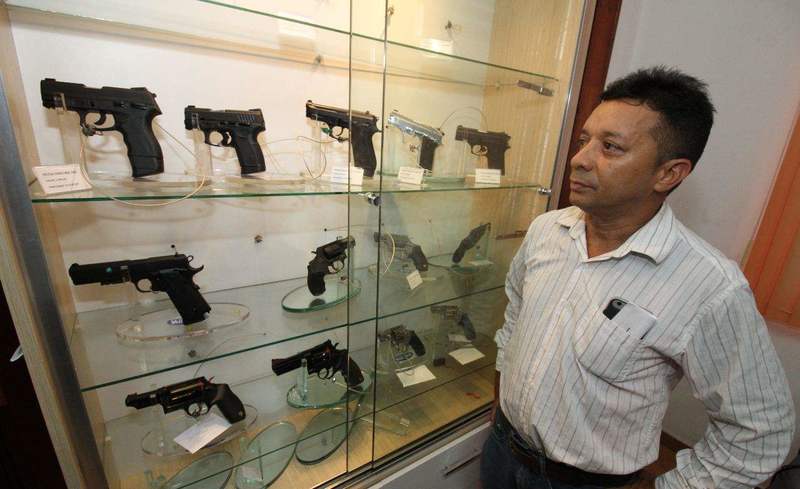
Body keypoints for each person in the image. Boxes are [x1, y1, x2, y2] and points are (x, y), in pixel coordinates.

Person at [482, 66, 795, 489]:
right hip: (502, 450)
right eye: (584, 140)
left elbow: (759, 433)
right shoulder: (547, 231)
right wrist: (501, 404)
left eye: (611, 147)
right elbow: (516, 318)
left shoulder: (710, 287)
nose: (580, 158)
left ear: (669, 173)